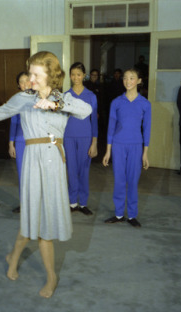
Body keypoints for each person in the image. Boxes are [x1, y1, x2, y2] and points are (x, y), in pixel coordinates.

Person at [0, 51, 93, 298]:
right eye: (29, 73)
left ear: (50, 74)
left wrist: (55, 103)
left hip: (54, 161)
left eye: (36, 74)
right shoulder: (23, 98)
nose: (30, 78)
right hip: (33, 161)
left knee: (43, 221)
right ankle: (35, 268)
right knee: (33, 219)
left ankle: (26, 264)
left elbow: (85, 110)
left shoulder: (61, 97)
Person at [102, 68, 151, 228]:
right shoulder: (116, 102)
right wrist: (108, 150)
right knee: (119, 180)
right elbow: (111, 127)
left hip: (136, 146)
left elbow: (147, 129)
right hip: (118, 145)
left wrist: (145, 153)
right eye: (125, 78)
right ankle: (118, 214)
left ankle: (132, 215)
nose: (128, 81)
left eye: (132, 78)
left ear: (139, 81)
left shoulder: (145, 104)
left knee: (133, 180)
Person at [64, 62, 98, 215]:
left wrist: (94, 143)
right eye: (72, 74)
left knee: (83, 170)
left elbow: (94, 121)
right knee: (71, 170)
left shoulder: (91, 96)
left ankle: (83, 203)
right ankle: (72, 203)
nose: (75, 77)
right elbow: (60, 120)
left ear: (84, 75)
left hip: (85, 136)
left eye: (78, 74)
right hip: (68, 137)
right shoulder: (65, 96)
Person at [8, 71, 31, 213]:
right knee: (22, 174)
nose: (24, 84)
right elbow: (13, 123)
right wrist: (11, 143)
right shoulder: (16, 100)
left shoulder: (39, 98)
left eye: (27, 80)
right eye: (21, 82)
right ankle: (24, 204)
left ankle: (36, 204)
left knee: (35, 174)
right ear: (18, 85)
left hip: (35, 142)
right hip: (20, 141)